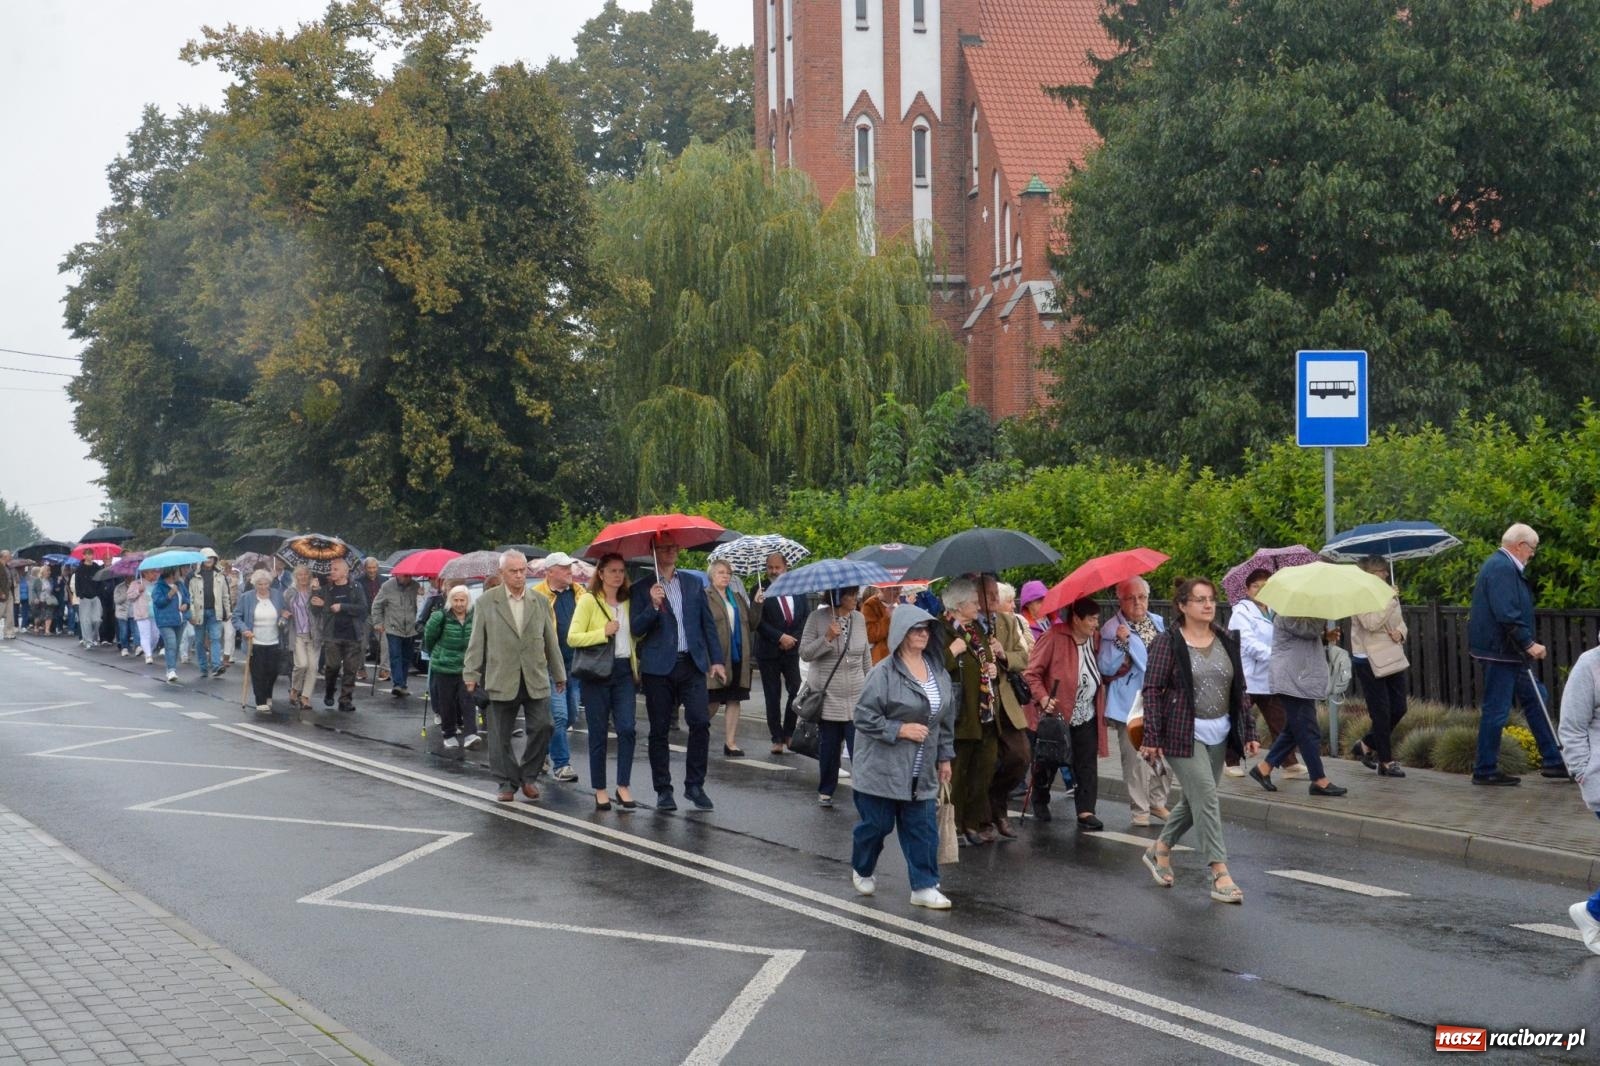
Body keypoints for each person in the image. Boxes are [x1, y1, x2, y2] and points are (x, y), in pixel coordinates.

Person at [1139, 576, 1260, 904]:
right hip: (1181, 732)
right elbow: (1152, 690)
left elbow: (1240, 689)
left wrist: (1249, 731)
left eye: (1211, 599)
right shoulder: (1168, 642)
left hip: (1220, 731)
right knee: (1205, 795)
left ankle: (1159, 849)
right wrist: (1152, 736)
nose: (1208, 605)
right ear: (1182, 605)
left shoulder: (1226, 639)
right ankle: (1219, 872)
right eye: (1200, 599)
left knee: (1196, 800)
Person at [849, 605, 957, 909]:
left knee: (923, 830)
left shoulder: (938, 672)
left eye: (927, 629)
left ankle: (924, 886)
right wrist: (900, 729)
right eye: (916, 629)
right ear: (901, 633)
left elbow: (945, 720)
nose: (923, 634)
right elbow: (863, 716)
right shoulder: (882, 673)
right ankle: (862, 866)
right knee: (877, 826)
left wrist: (945, 757)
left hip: (921, 772)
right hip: (881, 769)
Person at [1467, 523, 1567, 785]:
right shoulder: (1502, 568)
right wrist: (1528, 643)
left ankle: (1553, 761)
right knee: (1497, 710)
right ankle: (1485, 770)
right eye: (1532, 548)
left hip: (1508, 652)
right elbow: (1506, 612)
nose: (1532, 554)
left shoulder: (1502, 566)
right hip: (1502, 652)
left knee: (1536, 697)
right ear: (1520, 545)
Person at [463, 550, 566, 804]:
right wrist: (471, 673)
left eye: (522, 570)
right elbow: (477, 641)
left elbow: (550, 640)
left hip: (535, 675)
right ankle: (506, 782)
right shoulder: (487, 602)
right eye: (513, 571)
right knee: (499, 735)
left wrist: (559, 673)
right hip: (501, 676)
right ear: (502, 573)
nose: (519, 575)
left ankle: (528, 776)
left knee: (545, 726)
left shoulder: (539, 601)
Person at [631, 541, 726, 812]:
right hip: (658, 668)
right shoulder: (642, 588)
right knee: (659, 730)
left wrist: (716, 660)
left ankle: (695, 785)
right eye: (665, 547)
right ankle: (663, 789)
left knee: (700, 722)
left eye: (674, 547)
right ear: (654, 552)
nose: (671, 551)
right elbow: (636, 628)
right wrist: (653, 605)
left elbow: (707, 623)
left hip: (691, 664)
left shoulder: (693, 583)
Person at [1024, 596, 1108, 830]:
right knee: (1049, 760)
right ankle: (1040, 799)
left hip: (1087, 712)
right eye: (1091, 619)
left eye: (1097, 619)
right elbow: (1031, 673)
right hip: (1058, 714)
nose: (1096, 624)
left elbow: (1109, 670)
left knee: (1086, 762)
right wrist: (1042, 697)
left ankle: (1086, 811)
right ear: (1076, 619)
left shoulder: (1095, 639)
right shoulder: (1053, 636)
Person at [1099, 577, 1173, 827]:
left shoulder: (1157, 621)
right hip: (1132, 701)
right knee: (1136, 759)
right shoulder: (1112, 629)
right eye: (1130, 598)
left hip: (1161, 698)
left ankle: (1157, 801)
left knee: (1165, 755)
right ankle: (1140, 807)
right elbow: (1105, 667)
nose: (1138, 602)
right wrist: (1120, 643)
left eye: (1142, 597)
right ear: (1120, 601)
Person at [1249, 613, 1348, 796]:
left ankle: (1263, 768)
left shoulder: (1301, 616)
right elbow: (1308, 630)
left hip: (1300, 679)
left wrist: (1325, 637)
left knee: (1294, 730)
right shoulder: (1287, 614)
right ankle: (1319, 780)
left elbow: (1303, 639)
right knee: (1308, 730)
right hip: (1292, 680)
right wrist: (1322, 615)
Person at [569, 553, 638, 810]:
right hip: (597, 673)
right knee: (598, 733)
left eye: (621, 571)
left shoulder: (628, 601)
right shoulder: (589, 600)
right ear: (601, 574)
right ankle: (600, 789)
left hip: (623, 671)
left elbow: (635, 634)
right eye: (612, 571)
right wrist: (602, 632)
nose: (618, 576)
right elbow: (573, 637)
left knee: (627, 729)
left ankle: (623, 785)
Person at [938, 578, 1001, 844]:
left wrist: (993, 668)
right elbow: (932, 668)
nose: (978, 606)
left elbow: (986, 660)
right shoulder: (941, 630)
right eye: (974, 602)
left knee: (983, 770)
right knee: (957, 772)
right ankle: (952, 825)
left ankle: (972, 823)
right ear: (958, 605)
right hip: (960, 715)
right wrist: (952, 653)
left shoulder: (975, 630)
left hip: (985, 712)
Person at [1226, 569, 1301, 779]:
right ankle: (1231, 762)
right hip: (1247, 677)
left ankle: (1289, 763)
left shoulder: (1276, 610)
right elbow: (1249, 643)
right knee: (1238, 719)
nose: (1260, 590)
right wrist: (1277, 655)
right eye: (1256, 586)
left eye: (1266, 586)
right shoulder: (1241, 612)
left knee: (1280, 720)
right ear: (1247, 590)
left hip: (1270, 676)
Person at [800, 585, 870, 806]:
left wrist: (871, 685)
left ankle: (864, 795)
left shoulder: (859, 618)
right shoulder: (817, 618)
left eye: (856, 594)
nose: (855, 598)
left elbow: (865, 655)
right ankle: (826, 790)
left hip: (857, 695)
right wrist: (827, 638)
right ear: (838, 596)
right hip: (829, 695)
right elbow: (805, 652)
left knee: (860, 749)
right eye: (851, 594)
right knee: (829, 749)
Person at [980, 576, 1032, 841]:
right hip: (981, 702)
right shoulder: (970, 624)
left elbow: (1023, 658)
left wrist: (1003, 654)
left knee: (1020, 756)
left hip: (1006, 702)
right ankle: (987, 818)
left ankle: (997, 799)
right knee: (986, 762)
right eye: (988, 595)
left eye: (995, 595)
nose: (993, 600)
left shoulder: (1008, 622)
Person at [1348, 556, 1410, 778]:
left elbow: (1400, 621)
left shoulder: (1388, 594)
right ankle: (1385, 761)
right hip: (1368, 658)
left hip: (1391, 654)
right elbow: (1371, 623)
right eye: (1381, 571)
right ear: (1369, 574)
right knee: (1381, 712)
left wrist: (1400, 632)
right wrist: (1390, 601)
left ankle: (1366, 743)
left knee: (1399, 707)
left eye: (1385, 570)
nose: (1385, 574)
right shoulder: (1360, 595)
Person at [1557, 645, 1600, 954]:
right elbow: (1571, 727)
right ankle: (1592, 912)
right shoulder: (1590, 665)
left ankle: (1592, 911)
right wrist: (1583, 772)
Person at [532, 552, 585, 782]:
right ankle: (562, 765)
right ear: (550, 572)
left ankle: (539, 753)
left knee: (572, 714)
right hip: (550, 666)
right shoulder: (536, 595)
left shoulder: (580, 593)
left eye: (569, 567)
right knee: (560, 716)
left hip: (575, 665)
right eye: (564, 568)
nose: (569, 571)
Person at [754, 552, 810, 754]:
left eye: (777, 567)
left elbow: (805, 616)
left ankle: (789, 732)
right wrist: (779, 637)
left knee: (796, 690)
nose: (773, 571)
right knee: (772, 695)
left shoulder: (797, 588)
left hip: (793, 649)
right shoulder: (759, 589)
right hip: (768, 650)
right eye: (770, 567)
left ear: (786, 567)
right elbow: (757, 621)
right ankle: (776, 737)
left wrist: (792, 638)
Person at [704, 559, 755, 757]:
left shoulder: (737, 598)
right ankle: (699, 728)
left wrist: (758, 604)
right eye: (721, 572)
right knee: (713, 700)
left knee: (735, 698)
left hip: (739, 656)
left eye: (728, 573)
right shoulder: (705, 596)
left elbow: (752, 623)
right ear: (712, 576)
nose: (725, 576)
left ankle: (730, 742)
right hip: (717, 656)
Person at [422, 586, 482, 751]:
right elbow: (429, 637)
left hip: (466, 667)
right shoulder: (439, 617)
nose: (459, 604)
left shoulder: (475, 616)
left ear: (468, 601)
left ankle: (470, 734)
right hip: (444, 667)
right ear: (450, 601)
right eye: (456, 600)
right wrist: (438, 655)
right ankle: (449, 734)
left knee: (468, 700)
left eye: (462, 600)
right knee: (447, 703)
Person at [312, 557, 368, 713]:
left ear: (345, 571)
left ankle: (345, 700)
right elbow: (316, 610)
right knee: (332, 667)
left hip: (353, 634)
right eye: (331, 569)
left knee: (350, 669)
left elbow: (363, 608)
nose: (332, 572)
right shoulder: (326, 588)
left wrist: (342, 607)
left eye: (336, 569)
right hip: (333, 634)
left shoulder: (356, 587)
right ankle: (330, 691)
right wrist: (315, 591)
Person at [233, 570, 287, 713]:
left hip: (274, 640)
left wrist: (284, 618)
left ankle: (268, 693)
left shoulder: (277, 595)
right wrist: (244, 629)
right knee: (258, 672)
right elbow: (236, 617)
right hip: (255, 641)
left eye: (266, 584)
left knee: (273, 671)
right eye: (259, 584)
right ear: (254, 584)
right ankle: (260, 700)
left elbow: (284, 612)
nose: (263, 587)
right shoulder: (246, 597)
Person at [371, 571, 421, 699]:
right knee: (395, 655)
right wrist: (378, 622)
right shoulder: (387, 586)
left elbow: (421, 606)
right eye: (405, 575)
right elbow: (377, 605)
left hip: (410, 628)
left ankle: (403, 684)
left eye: (410, 575)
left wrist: (422, 595)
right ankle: (398, 684)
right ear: (398, 574)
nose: (408, 578)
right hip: (393, 627)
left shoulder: (416, 586)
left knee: (406, 657)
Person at [189, 549, 232, 679]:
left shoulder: (220, 576)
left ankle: (216, 666)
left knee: (215, 638)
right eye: (206, 558)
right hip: (199, 613)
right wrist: (191, 614)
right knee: (199, 641)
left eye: (211, 558)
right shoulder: (192, 576)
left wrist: (228, 611)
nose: (209, 560)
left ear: (215, 559)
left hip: (215, 612)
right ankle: (203, 667)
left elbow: (225, 595)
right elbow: (190, 597)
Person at [283, 565, 321, 710]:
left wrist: (317, 592)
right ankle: (295, 688)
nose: (303, 577)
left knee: (313, 667)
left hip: (313, 633)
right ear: (295, 577)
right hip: (297, 632)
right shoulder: (290, 592)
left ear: (310, 576)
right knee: (301, 664)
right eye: (300, 575)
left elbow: (322, 611)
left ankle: (305, 697)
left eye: (306, 574)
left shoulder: (316, 591)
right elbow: (282, 607)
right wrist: (283, 612)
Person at [149, 568, 190, 683]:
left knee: (176, 645)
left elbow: (187, 597)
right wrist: (170, 594)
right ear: (171, 573)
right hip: (165, 621)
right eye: (177, 571)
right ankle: (171, 670)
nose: (179, 573)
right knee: (171, 644)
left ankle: (171, 668)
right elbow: (158, 602)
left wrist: (186, 605)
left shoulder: (180, 584)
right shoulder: (159, 587)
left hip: (180, 620)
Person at [359, 557, 386, 683]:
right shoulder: (358, 581)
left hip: (380, 616)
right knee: (362, 644)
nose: (372, 570)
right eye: (369, 568)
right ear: (365, 568)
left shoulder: (384, 581)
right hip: (365, 616)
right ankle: (360, 668)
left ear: (377, 568)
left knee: (385, 643)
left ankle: (384, 669)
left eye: (374, 567)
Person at [862, 584, 900, 664]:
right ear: (882, 589)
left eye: (900, 588)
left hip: (899, 655)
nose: (898, 592)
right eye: (894, 589)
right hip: (882, 659)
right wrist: (887, 618)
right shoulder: (870, 605)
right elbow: (870, 635)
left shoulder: (898, 603)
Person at [74, 560, 103, 649]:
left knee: (97, 620)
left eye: (90, 554)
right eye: (87, 554)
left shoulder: (97, 568)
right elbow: (77, 583)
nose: (89, 556)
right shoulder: (79, 569)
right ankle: (88, 641)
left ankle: (94, 638)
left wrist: (99, 593)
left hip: (95, 596)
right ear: (84, 555)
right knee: (85, 621)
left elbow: (100, 581)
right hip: (85, 597)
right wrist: (80, 594)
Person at [112, 574, 133, 655]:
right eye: (128, 577)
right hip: (122, 613)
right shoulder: (119, 587)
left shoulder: (136, 585)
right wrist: (126, 594)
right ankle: (124, 647)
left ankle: (132, 645)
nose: (130, 578)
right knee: (123, 631)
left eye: (132, 576)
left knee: (132, 631)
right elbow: (116, 600)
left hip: (133, 612)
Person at [0, 551, 16, 639]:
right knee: (0, 612)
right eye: (9, 556)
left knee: (10, 613)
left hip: (9, 591)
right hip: (2, 593)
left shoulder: (7, 566)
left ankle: (8, 632)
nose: (11, 557)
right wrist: (1, 593)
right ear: (4, 557)